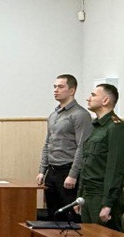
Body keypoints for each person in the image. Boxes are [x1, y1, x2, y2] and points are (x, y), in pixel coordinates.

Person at [36, 74, 92, 220]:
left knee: (70, 217)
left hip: (67, 170)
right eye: (55, 87)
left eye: (60, 87)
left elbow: (82, 146)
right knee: (53, 214)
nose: (56, 90)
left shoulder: (80, 115)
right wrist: (42, 170)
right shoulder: (53, 115)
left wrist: (73, 174)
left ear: (72, 90)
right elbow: (48, 143)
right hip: (52, 171)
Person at [78, 84, 124, 232]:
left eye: (93, 95)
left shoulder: (116, 128)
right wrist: (79, 195)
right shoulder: (96, 127)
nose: (88, 98)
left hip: (102, 195)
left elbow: (115, 169)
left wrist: (107, 203)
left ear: (105, 100)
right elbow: (87, 164)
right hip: (88, 194)